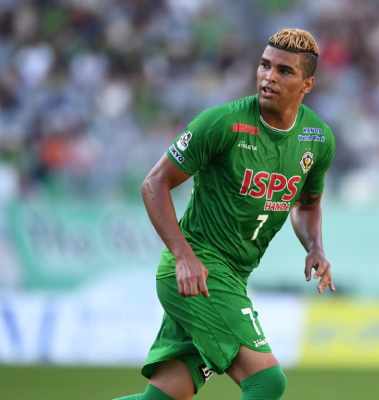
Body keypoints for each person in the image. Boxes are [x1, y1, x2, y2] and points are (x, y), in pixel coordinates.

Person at [113, 28, 336, 400]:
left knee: (162, 398)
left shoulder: (317, 138)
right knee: (267, 381)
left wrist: (315, 247)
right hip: (199, 271)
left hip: (233, 276)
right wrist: (184, 256)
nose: (269, 77)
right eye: (265, 65)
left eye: (284, 71)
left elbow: (307, 205)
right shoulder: (224, 123)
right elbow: (154, 183)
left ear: (307, 84)